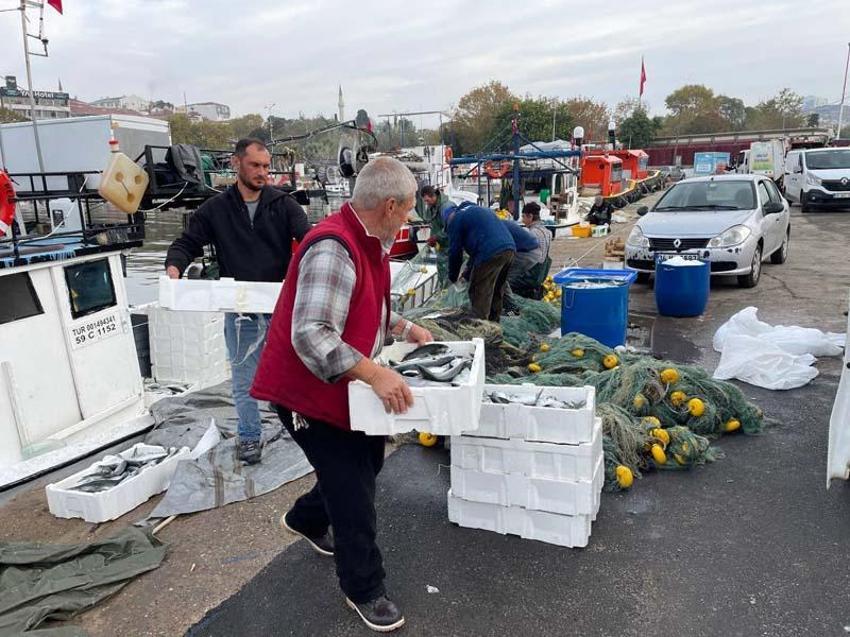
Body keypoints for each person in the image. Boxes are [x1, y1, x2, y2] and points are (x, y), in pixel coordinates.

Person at [251, 157, 432, 633]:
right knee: (353, 488)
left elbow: (364, 303)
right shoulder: (333, 247)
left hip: (342, 388)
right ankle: (364, 588)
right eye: (409, 210)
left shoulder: (369, 241)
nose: (411, 219)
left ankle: (306, 519)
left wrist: (405, 326)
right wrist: (376, 375)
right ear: (390, 206)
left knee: (364, 463)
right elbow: (312, 334)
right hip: (305, 395)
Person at [165, 138, 310, 464]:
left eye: (266, 167)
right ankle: (248, 437)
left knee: (294, 371)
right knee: (244, 378)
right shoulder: (214, 210)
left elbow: (309, 238)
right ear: (236, 164)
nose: (263, 173)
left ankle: (301, 428)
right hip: (241, 309)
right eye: (255, 166)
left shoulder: (284, 204)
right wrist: (174, 266)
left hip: (280, 305)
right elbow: (187, 243)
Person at [444, 202, 516, 322]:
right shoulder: (477, 211)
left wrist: (452, 277)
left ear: (448, 218)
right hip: (509, 250)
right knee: (496, 291)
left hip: (490, 253)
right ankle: (494, 327)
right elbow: (478, 248)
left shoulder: (456, 219)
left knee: (479, 292)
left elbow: (455, 252)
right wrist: (466, 274)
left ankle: (480, 330)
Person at [420, 185, 453, 284]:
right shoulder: (432, 207)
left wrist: (436, 237)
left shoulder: (446, 207)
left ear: (433, 196)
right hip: (443, 246)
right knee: (442, 270)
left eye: (427, 200)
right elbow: (434, 225)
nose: (426, 203)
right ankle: (443, 290)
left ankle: (448, 293)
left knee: (451, 272)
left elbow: (451, 227)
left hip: (451, 245)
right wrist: (433, 238)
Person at [502, 217, 540, 290]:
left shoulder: (497, 227)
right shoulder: (501, 223)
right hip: (533, 251)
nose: (522, 220)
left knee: (505, 279)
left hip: (527, 252)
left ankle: (507, 299)